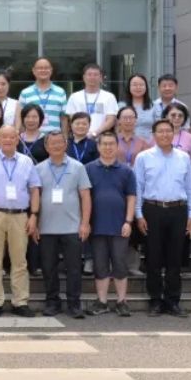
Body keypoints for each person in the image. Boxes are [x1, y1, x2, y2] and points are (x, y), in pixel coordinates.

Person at [134, 119, 191, 317]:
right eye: (160, 131)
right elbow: (138, 187)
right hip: (152, 210)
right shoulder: (143, 157)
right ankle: (155, 300)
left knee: (175, 258)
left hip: (178, 210)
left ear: (174, 133)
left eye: (168, 131)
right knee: (153, 258)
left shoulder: (183, 157)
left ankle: (173, 301)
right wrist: (138, 214)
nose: (164, 134)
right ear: (153, 135)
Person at [0, 125, 38, 317]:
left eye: (12, 137)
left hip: (20, 216)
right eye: (4, 137)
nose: (8, 140)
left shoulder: (27, 161)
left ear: (17, 139)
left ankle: (20, 301)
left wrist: (34, 215)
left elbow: (35, 189)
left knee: (20, 261)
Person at [29, 130, 92, 319]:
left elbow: (85, 196)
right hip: (46, 228)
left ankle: (74, 304)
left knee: (74, 268)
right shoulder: (38, 168)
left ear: (66, 144)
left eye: (60, 142)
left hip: (72, 227)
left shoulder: (78, 167)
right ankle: (52, 302)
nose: (56, 146)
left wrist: (85, 223)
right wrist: (35, 222)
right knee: (49, 268)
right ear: (46, 146)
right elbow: (35, 197)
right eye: (52, 143)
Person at [85, 132, 137, 317]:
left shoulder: (126, 171)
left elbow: (131, 197)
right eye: (104, 144)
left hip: (119, 225)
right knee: (100, 264)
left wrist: (128, 221)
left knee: (120, 263)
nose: (108, 147)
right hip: (96, 225)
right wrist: (85, 222)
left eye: (111, 144)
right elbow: (84, 197)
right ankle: (102, 301)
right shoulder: (88, 169)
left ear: (117, 146)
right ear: (98, 147)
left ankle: (122, 301)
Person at [65, 63, 118, 137]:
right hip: (79, 137)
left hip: (102, 138)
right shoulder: (74, 97)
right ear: (84, 77)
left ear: (101, 77)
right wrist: (83, 133)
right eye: (89, 74)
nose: (92, 77)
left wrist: (95, 133)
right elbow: (72, 118)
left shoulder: (109, 97)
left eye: (95, 75)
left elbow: (111, 120)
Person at [18, 57, 67, 133]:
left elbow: (63, 119)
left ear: (51, 70)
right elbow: (21, 119)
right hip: (33, 137)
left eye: (46, 68)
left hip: (54, 137)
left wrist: (65, 137)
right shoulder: (25, 93)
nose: (43, 70)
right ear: (34, 71)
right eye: (40, 68)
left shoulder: (61, 92)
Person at [123, 73, 158, 140]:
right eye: (135, 85)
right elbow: (118, 128)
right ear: (129, 87)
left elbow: (159, 127)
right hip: (127, 143)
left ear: (146, 87)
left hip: (149, 143)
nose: (138, 87)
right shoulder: (121, 106)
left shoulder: (154, 106)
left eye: (141, 85)